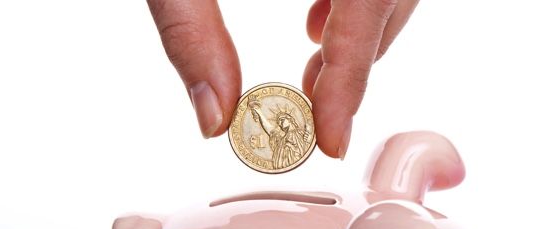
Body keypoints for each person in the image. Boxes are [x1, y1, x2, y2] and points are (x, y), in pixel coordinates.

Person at [145, 0, 419, 159]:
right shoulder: (277, 133)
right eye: (285, 120)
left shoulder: (291, 138)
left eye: (286, 120)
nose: (285, 122)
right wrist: (254, 110)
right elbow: (265, 124)